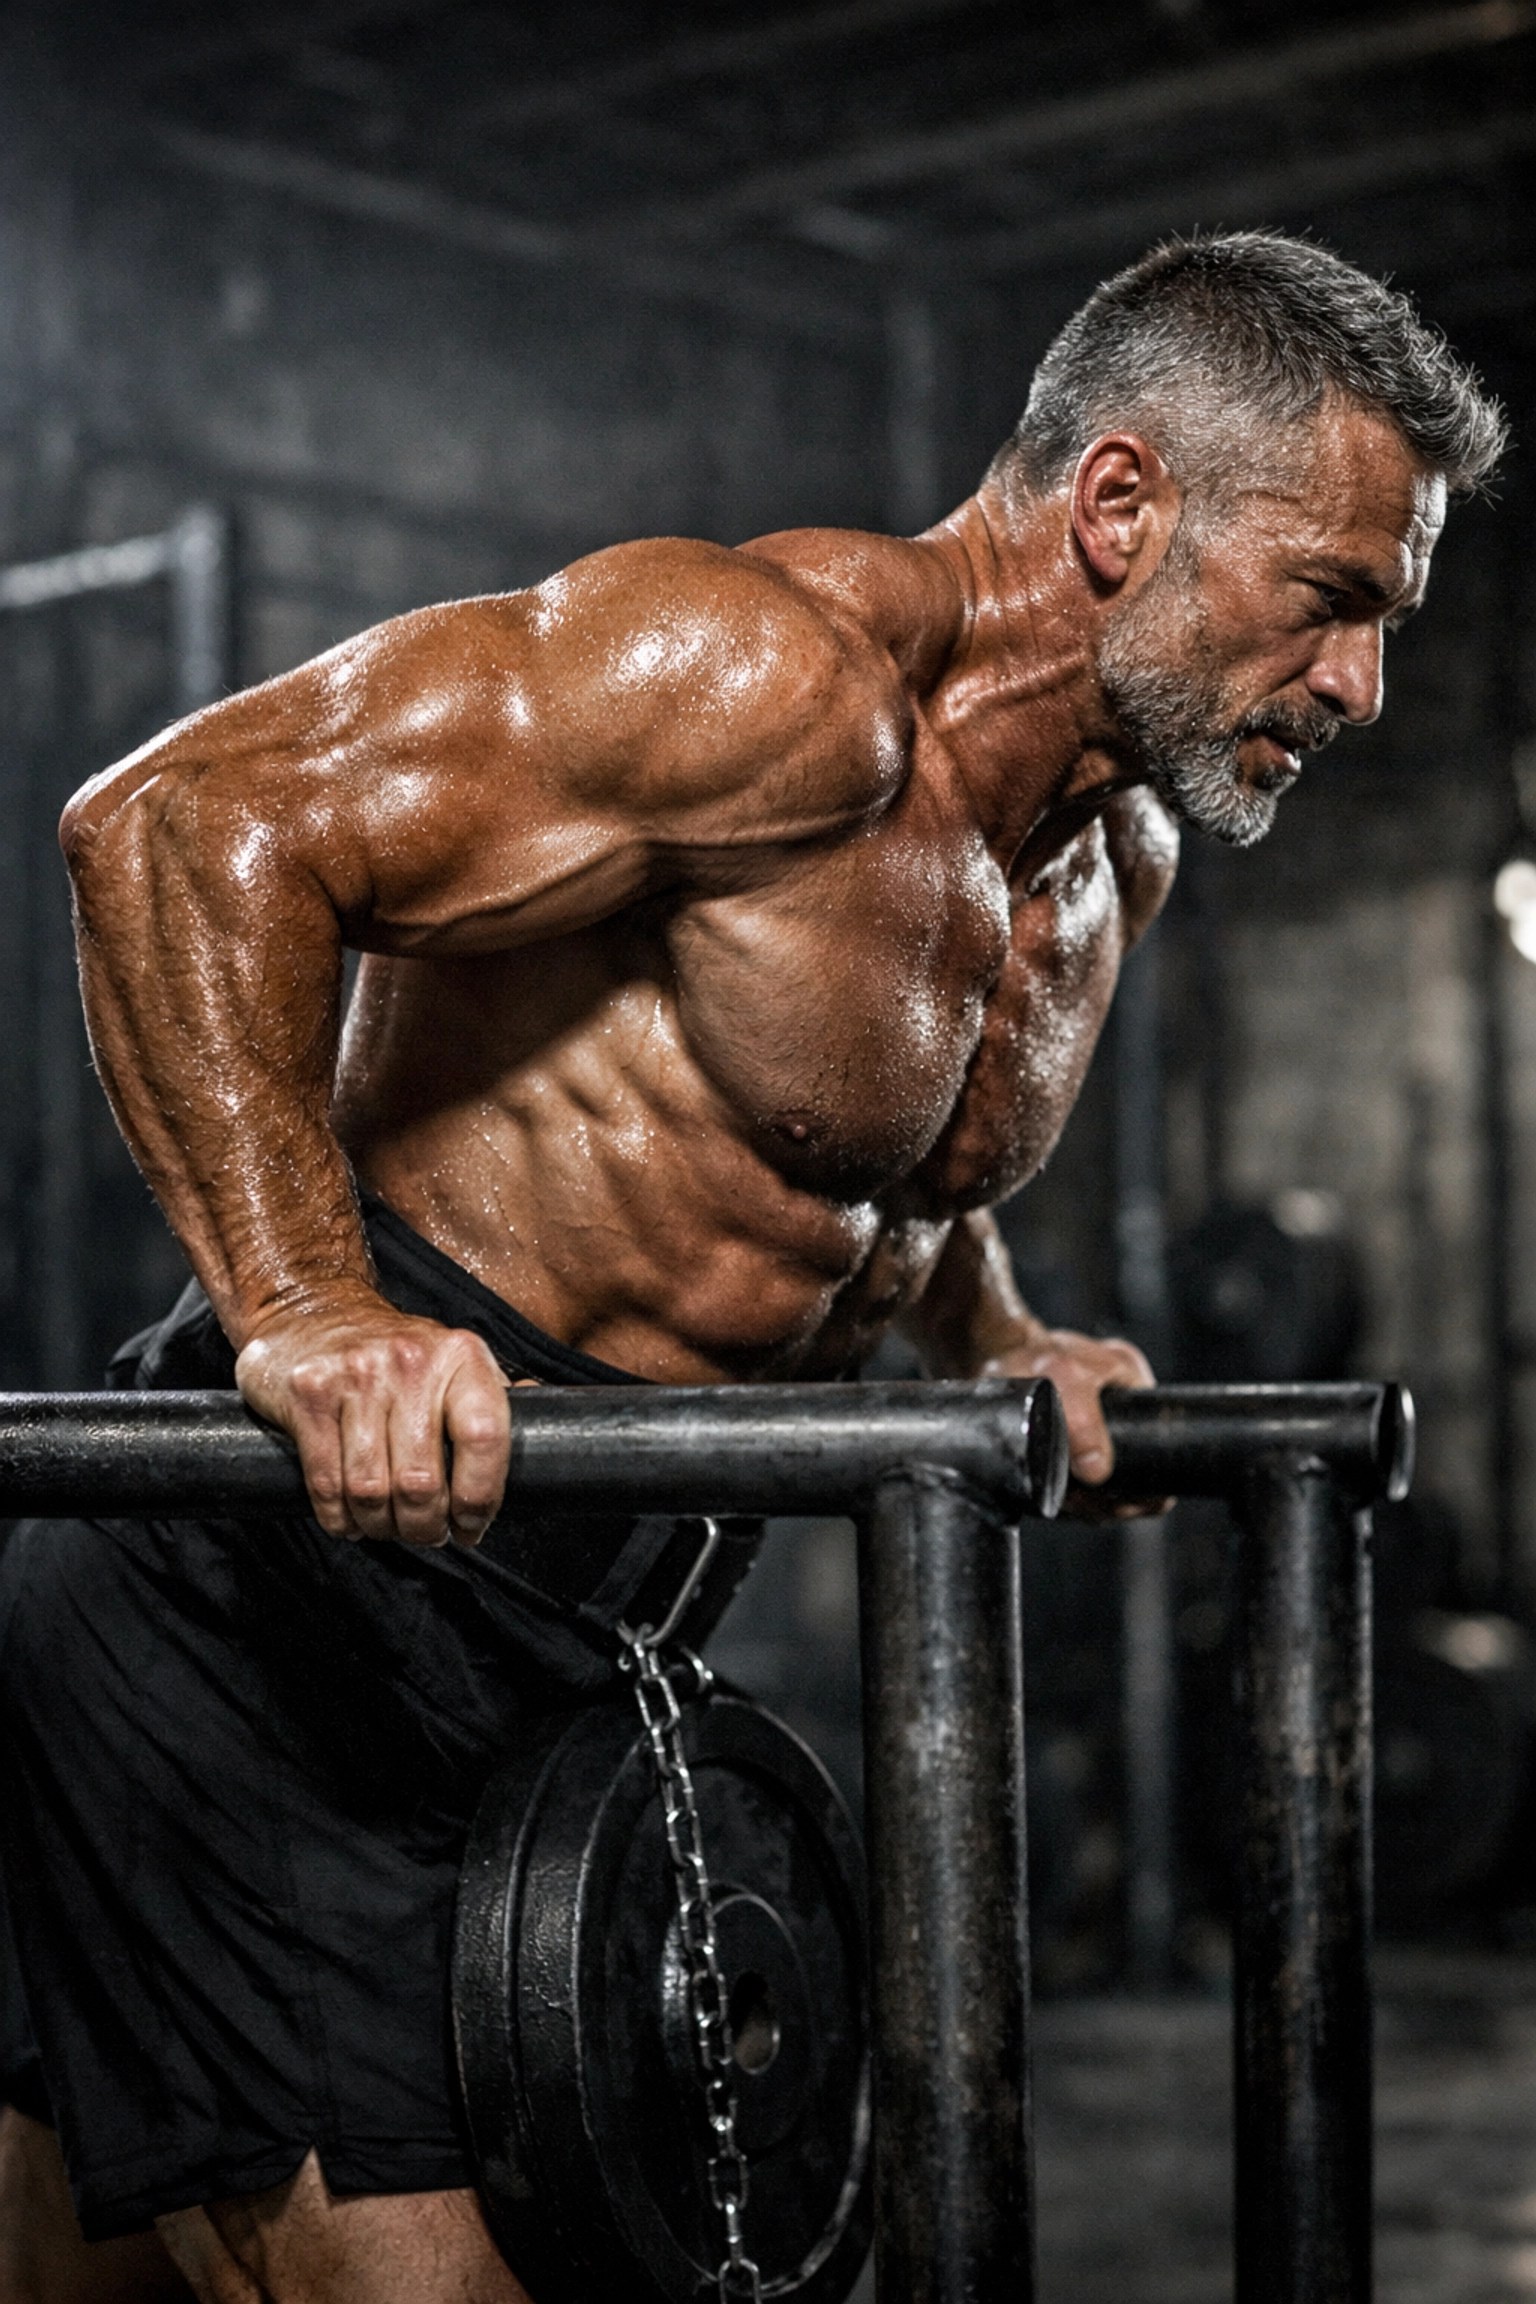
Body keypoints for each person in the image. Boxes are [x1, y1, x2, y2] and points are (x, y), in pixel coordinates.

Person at [0, 230, 1505, 2304]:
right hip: (273, 1603)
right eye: (1332, 601)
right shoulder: (755, 679)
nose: (1364, 686)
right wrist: (308, 1308)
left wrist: (1003, 1336)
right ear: (1123, 506)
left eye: (1390, 620)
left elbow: (892, 1148)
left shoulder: (1110, 847)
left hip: (581, 1634)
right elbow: (175, 832)